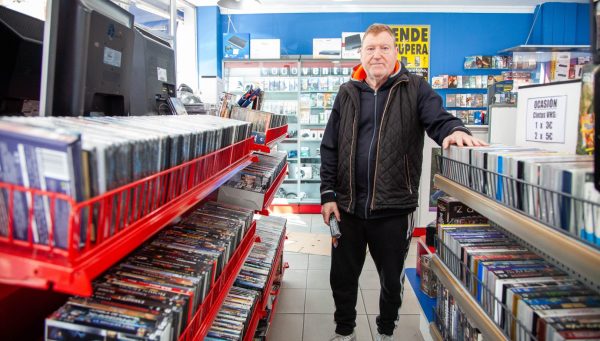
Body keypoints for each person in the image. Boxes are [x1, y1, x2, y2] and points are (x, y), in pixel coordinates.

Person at [319, 23, 486, 341]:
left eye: (384, 47)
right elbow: (330, 147)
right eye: (370, 48)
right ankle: (345, 332)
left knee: (390, 281)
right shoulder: (346, 93)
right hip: (347, 208)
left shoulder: (415, 87)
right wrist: (328, 194)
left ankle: (385, 331)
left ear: (395, 52)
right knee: (342, 277)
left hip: (394, 209)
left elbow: (438, 117)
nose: (377, 54)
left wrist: (454, 130)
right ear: (361, 55)